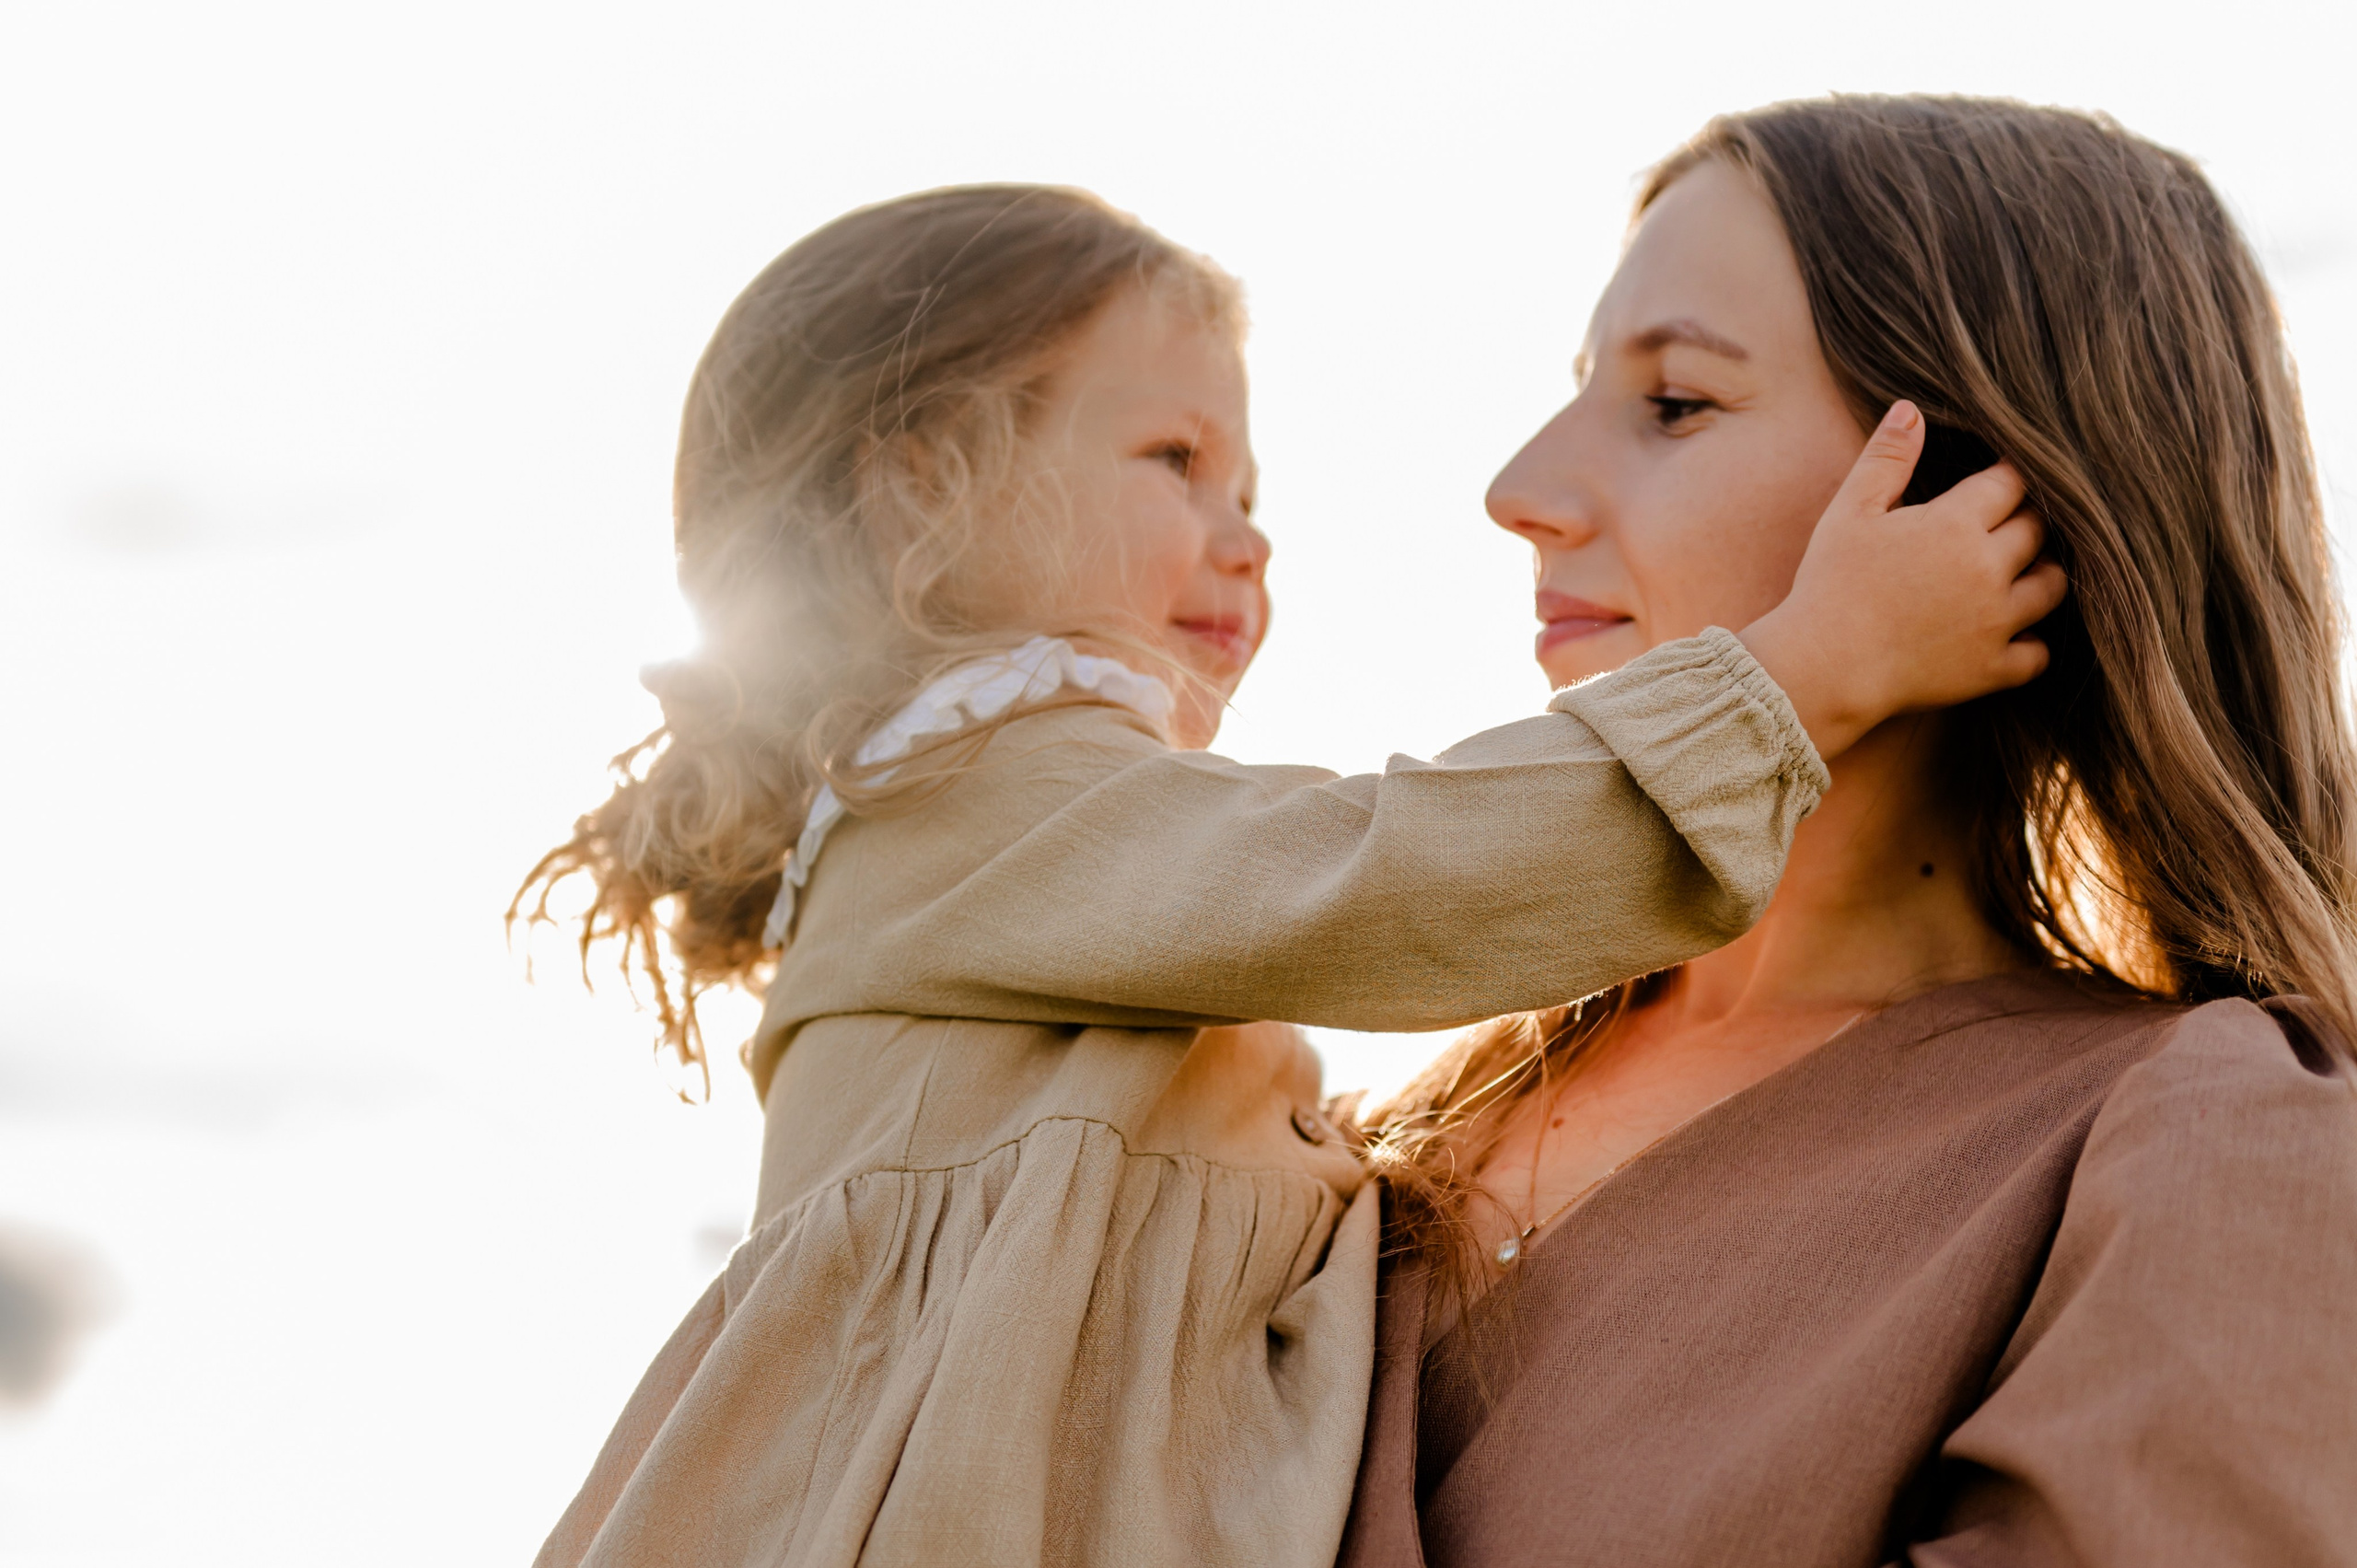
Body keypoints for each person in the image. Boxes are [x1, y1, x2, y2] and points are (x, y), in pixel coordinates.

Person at [517, 183, 2058, 1568]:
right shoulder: (975, 787)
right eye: (1176, 461)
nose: (1246, 543)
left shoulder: (1001, 832)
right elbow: (1389, 883)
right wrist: (1798, 681)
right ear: (930, 491)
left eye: (1249, 492)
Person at [1342, 96, 2357, 1568]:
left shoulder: (2208, 1139)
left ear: (1987, 498)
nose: (1521, 496)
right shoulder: (1365, 1122)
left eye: (1676, 404)